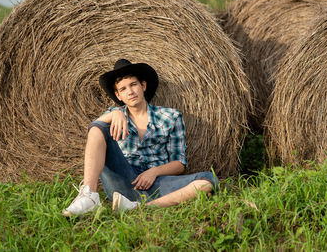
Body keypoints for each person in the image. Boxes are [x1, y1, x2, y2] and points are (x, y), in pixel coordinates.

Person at [62, 59, 218, 216]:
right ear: (118, 95)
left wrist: (154, 172)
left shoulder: (171, 117)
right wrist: (115, 113)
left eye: (133, 85)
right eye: (123, 89)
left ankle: (139, 208)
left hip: (157, 183)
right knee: (98, 128)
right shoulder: (113, 116)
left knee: (208, 180)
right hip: (123, 181)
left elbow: (180, 163)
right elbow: (93, 130)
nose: (130, 91)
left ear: (143, 86)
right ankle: (89, 196)